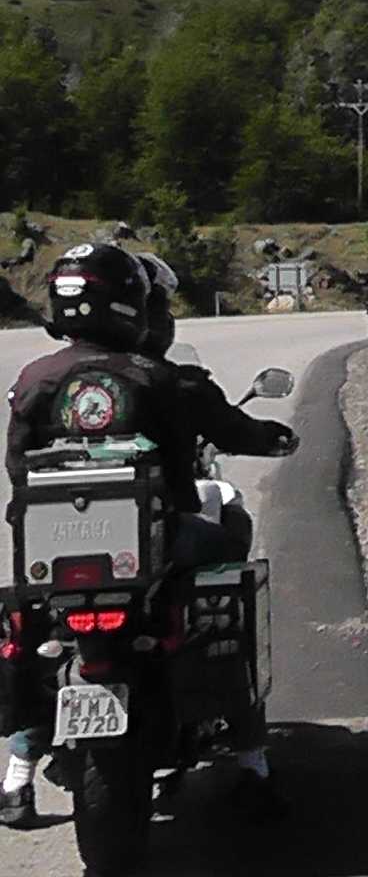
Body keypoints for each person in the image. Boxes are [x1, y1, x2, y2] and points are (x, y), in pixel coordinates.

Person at [0, 245, 283, 826]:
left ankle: (17, 776)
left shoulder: (33, 378)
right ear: (133, 306)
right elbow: (202, 454)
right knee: (229, 578)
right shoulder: (155, 376)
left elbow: (17, 466)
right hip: (153, 550)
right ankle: (251, 755)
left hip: (51, 559)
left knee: (35, 632)